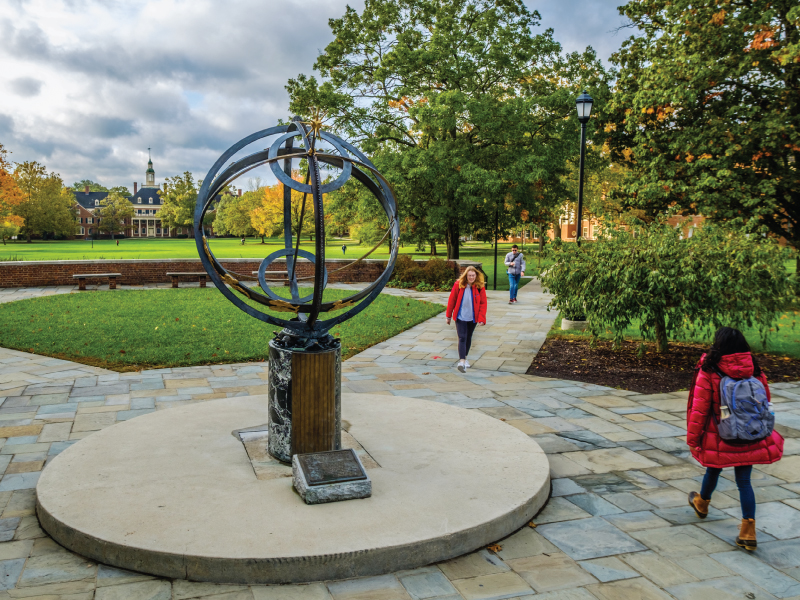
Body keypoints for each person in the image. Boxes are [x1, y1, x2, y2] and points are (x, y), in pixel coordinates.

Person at [686, 326, 784, 551]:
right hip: (749, 433)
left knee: (713, 468)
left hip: (720, 433)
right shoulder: (754, 369)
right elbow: (765, 402)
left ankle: (702, 503)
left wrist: (694, 438)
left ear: (718, 345)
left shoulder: (709, 369)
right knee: (744, 482)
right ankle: (748, 532)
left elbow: (700, 409)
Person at [446, 266, 487, 373]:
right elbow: (452, 300)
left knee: (468, 337)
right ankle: (462, 362)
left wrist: (482, 318)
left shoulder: (479, 287)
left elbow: (483, 303)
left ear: (476, 275)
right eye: (469, 275)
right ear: (466, 276)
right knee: (462, 337)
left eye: (473, 275)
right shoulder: (458, 285)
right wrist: (448, 316)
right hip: (460, 316)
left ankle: (465, 358)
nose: (471, 277)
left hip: (472, 318)